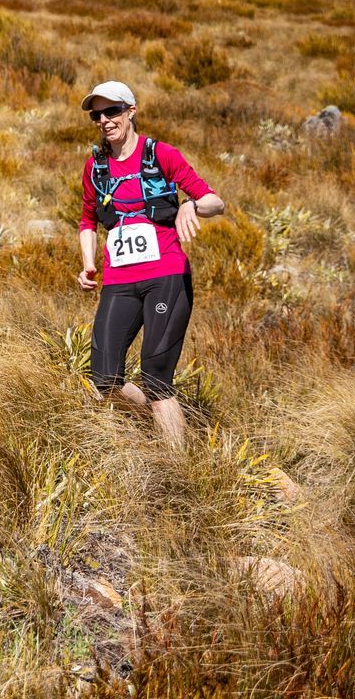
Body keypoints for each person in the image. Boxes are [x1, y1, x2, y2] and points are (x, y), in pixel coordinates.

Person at [76, 80, 224, 446]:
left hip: (166, 276)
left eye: (112, 111)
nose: (104, 120)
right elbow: (87, 220)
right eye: (97, 114)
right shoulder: (96, 168)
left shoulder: (160, 154)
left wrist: (190, 205)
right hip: (119, 282)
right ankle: (168, 429)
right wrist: (88, 265)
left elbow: (214, 202)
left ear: (131, 111)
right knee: (104, 378)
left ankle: (178, 466)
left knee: (157, 375)